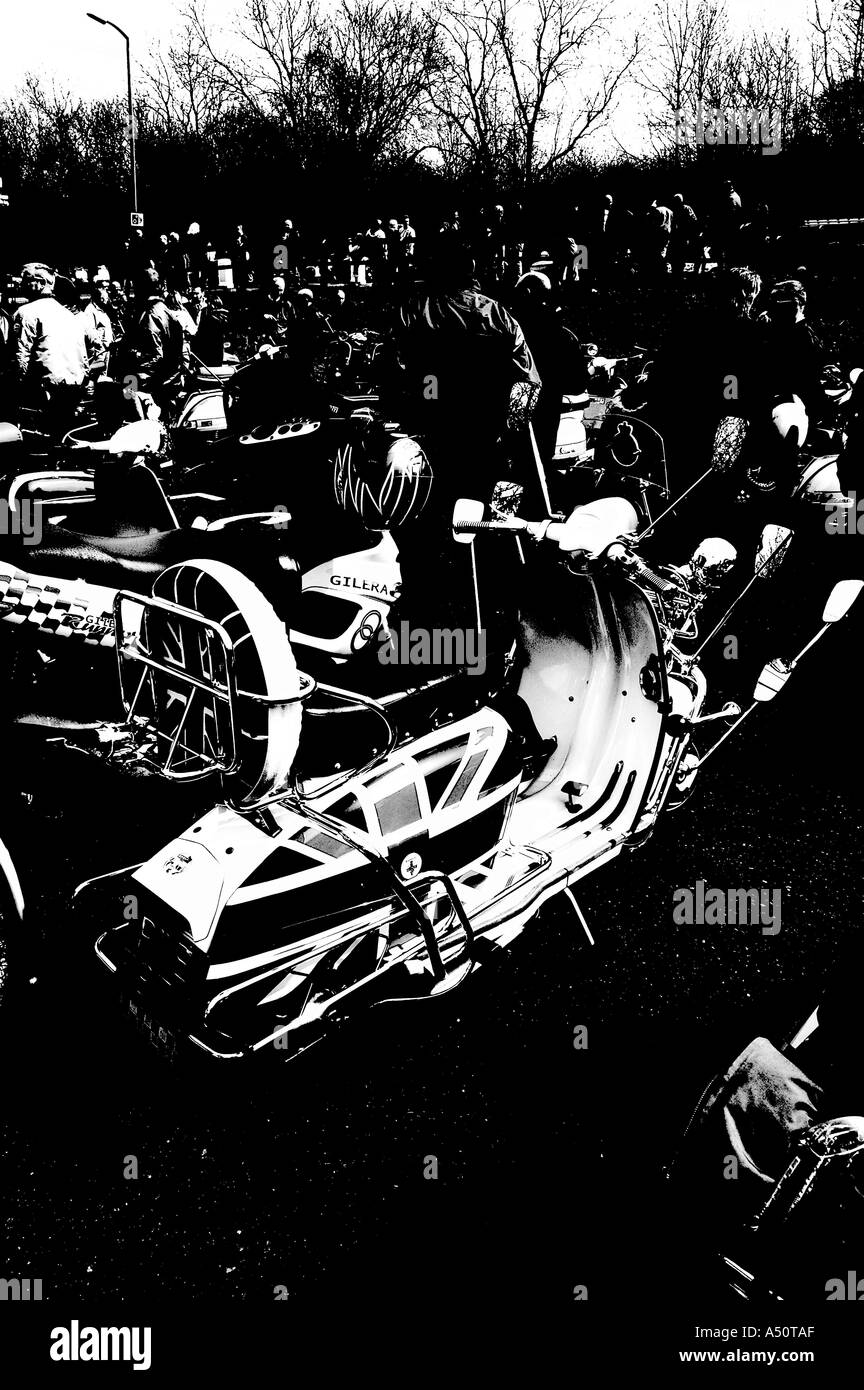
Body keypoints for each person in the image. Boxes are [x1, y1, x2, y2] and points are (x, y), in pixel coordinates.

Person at [11, 261, 89, 437]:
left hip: (42, 396)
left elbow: (20, 358)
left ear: (38, 283)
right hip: (72, 392)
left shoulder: (25, 313)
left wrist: (19, 389)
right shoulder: (70, 316)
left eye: (24, 281)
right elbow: (83, 359)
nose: (21, 286)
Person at [125, 269, 186, 411]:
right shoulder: (165, 310)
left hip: (154, 385)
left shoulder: (150, 314)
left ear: (142, 289)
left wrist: (133, 356)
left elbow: (155, 356)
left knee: (127, 399)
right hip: (171, 380)